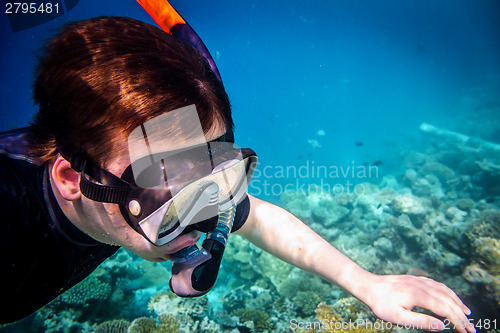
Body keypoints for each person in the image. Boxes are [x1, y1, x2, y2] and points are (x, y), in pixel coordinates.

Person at [0, 17, 475, 333]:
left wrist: (368, 284)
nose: (201, 215)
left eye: (212, 175)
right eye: (165, 185)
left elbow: (259, 217)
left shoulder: (141, 199)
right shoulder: (10, 224)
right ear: (70, 176)